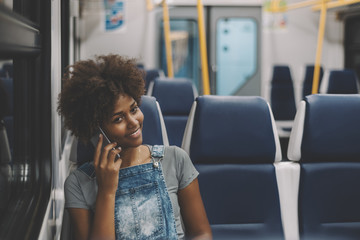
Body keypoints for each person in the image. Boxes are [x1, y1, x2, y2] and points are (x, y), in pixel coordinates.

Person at [57, 54, 212, 240]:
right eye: (118, 119)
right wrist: (106, 191)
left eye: (134, 109)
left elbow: (201, 233)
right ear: (95, 130)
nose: (133, 122)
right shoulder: (78, 183)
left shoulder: (176, 160)